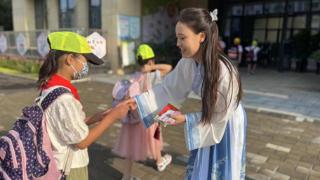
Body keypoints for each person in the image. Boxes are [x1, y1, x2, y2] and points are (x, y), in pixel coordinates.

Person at [131, 8, 247, 180]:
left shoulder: (224, 71)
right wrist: (139, 102)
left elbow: (221, 114)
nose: (177, 43)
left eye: (182, 38)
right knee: (203, 166)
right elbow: (169, 89)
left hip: (226, 122)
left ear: (202, 36)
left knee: (221, 170)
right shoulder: (188, 62)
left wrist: (186, 119)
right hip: (208, 117)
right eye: (177, 37)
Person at [37, 31, 132, 180]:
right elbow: (82, 142)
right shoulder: (64, 100)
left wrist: (98, 117)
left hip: (58, 163)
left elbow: (67, 125)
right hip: (69, 170)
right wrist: (113, 116)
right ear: (69, 59)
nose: (86, 66)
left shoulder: (50, 88)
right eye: (84, 60)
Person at [113, 44, 172, 180]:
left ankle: (126, 176)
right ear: (151, 61)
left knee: (131, 147)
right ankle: (159, 162)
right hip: (149, 117)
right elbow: (168, 68)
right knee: (156, 138)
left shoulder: (134, 76)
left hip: (133, 118)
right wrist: (152, 68)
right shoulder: (152, 76)